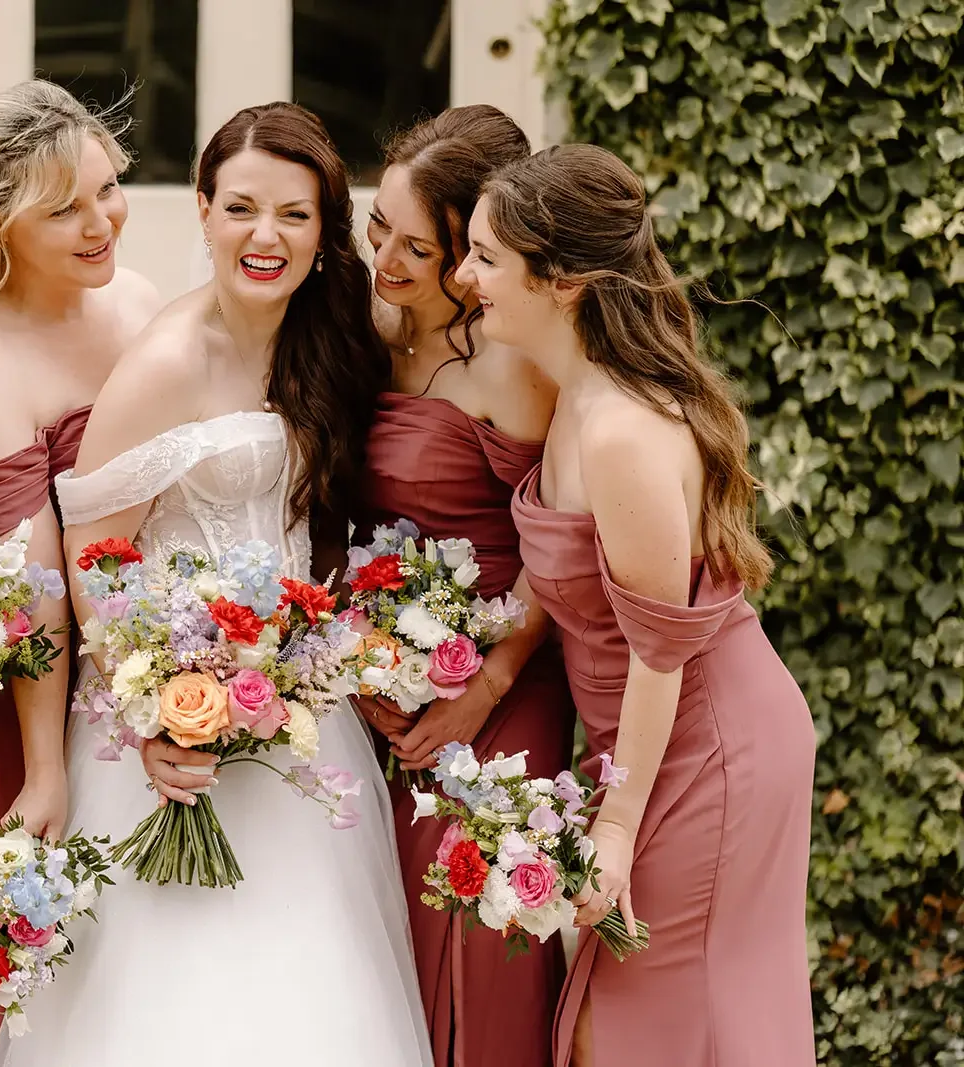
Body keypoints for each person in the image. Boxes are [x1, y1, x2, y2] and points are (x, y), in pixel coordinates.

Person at [0, 102, 432, 1067]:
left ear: (325, 233)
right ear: (201, 211)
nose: (264, 236)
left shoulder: (334, 336)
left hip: (305, 727)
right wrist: (157, 713)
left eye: (294, 214)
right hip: (163, 745)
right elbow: (95, 566)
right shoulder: (162, 364)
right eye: (240, 208)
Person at [466, 143, 815, 1067]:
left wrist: (616, 823)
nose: (465, 278)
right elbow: (558, 568)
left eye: (485, 258)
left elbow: (659, 651)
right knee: (616, 1025)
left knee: (655, 1023)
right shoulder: (568, 394)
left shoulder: (621, 427)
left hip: (708, 745)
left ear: (564, 281)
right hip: (640, 746)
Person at [354, 105, 572, 1067]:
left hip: (503, 681)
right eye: (377, 231)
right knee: (384, 938)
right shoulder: (366, 327)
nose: (387, 263)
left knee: (477, 933)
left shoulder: (515, 365)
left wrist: (483, 685)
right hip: (379, 689)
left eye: (418, 247)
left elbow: (559, 546)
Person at [0, 78, 159, 833]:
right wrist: (45, 768)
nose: (101, 224)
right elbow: (36, 581)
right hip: (57, 695)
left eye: (108, 190)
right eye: (64, 210)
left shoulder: (138, 300)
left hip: (180, 654)